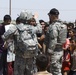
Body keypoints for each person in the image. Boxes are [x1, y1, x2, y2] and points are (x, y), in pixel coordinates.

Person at [2, 10, 42, 75]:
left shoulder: (15, 28)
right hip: (31, 57)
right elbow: (40, 29)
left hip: (20, 56)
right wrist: (36, 18)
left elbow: (4, 37)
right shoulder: (33, 28)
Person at [43, 8, 67, 75]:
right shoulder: (63, 25)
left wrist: (49, 54)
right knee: (58, 70)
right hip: (60, 51)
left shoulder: (54, 26)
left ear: (53, 16)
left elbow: (53, 40)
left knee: (55, 71)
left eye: (49, 15)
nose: (49, 17)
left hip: (54, 52)